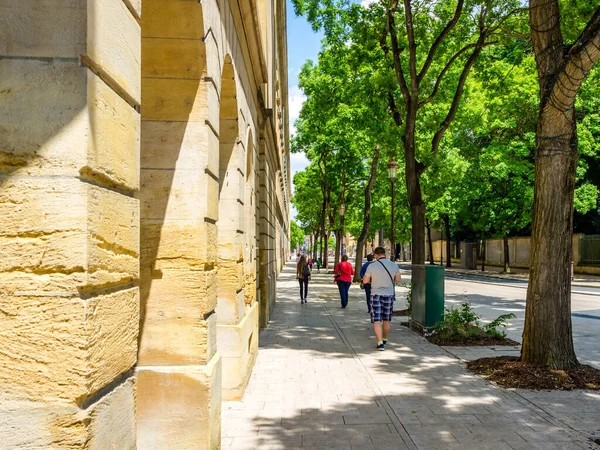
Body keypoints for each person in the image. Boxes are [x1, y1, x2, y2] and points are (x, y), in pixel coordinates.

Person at [363, 246, 401, 351]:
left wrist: (373, 280)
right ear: (385, 254)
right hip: (389, 295)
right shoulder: (394, 265)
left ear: (376, 255)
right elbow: (398, 279)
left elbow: (365, 281)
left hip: (376, 295)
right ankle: (385, 339)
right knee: (387, 319)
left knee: (377, 320)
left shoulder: (372, 266)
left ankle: (380, 343)